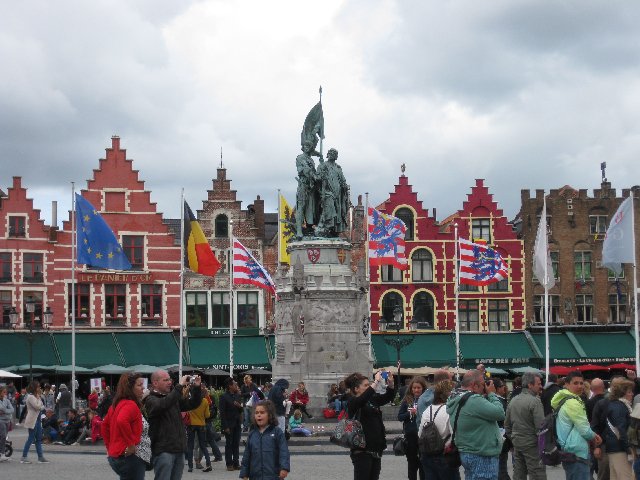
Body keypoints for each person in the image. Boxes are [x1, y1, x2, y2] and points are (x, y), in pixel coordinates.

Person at [446, 370, 505, 480]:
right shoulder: (473, 400)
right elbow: (500, 413)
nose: (484, 387)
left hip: (468, 452)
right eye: (483, 384)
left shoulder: (455, 396)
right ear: (473, 385)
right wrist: (492, 394)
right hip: (482, 455)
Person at [144, 370, 202, 480]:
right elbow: (163, 404)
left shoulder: (172, 398)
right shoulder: (151, 399)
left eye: (170, 379)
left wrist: (197, 387)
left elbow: (192, 404)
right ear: (155, 383)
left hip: (178, 449)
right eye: (165, 380)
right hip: (163, 450)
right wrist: (179, 386)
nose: (169, 382)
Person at [551, 370, 602, 480]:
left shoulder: (565, 400)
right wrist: (595, 436)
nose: (579, 386)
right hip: (577, 451)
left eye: (581, 383)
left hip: (568, 449)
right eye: (575, 383)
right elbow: (584, 429)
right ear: (567, 385)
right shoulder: (573, 403)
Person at [345, 370, 396, 480]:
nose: (369, 387)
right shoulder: (353, 401)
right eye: (366, 385)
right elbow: (362, 400)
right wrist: (376, 381)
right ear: (356, 389)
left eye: (369, 385)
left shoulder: (371, 399)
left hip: (376, 449)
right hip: (362, 451)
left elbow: (388, 397)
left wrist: (390, 384)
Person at [102, 373, 149, 479]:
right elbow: (122, 421)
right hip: (130, 457)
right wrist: (131, 444)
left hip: (116, 455)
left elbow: (104, 426)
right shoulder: (131, 404)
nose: (143, 387)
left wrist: (109, 447)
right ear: (130, 388)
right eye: (139, 385)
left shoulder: (116, 404)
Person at [505, 372, 546, 480]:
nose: (541, 386)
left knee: (519, 472)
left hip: (518, 442)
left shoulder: (513, 400)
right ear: (530, 385)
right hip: (532, 443)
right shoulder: (535, 401)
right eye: (539, 383)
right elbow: (541, 427)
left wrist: (514, 438)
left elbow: (507, 425)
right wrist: (543, 445)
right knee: (537, 473)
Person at [240, 400, 290, 480]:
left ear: (269, 415)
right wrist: (244, 473)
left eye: (262, 412)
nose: (259, 415)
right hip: (255, 476)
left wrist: (284, 468)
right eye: (256, 413)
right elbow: (247, 456)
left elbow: (283, 452)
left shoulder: (277, 432)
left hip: (273, 476)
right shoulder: (252, 434)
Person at [419, 379, 456, 480]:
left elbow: (420, 433)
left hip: (427, 455)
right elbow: (454, 434)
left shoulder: (427, 410)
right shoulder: (448, 410)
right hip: (444, 454)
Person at [603, 379, 634, 480]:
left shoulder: (615, 405)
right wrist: (628, 448)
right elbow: (621, 430)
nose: (632, 394)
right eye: (629, 392)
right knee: (626, 477)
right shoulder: (620, 407)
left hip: (614, 447)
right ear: (622, 393)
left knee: (615, 477)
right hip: (620, 448)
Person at [398, 376, 428, 480]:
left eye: (418, 388)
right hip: (410, 436)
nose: (416, 390)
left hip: (424, 435)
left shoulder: (427, 400)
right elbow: (400, 417)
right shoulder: (407, 400)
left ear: (423, 388)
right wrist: (409, 412)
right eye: (414, 388)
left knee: (423, 463)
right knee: (412, 464)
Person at [315, 147, 348, 236]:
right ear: (327, 155)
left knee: (338, 211)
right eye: (330, 153)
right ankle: (326, 226)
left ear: (336, 156)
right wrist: (321, 175)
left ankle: (334, 230)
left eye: (334, 154)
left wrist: (344, 186)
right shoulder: (323, 165)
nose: (332, 155)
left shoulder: (338, 168)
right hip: (327, 192)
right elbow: (317, 178)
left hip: (338, 193)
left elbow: (342, 180)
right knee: (330, 207)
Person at [294, 140, 321, 239]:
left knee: (311, 208)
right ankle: (299, 231)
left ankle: (309, 227)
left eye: (308, 146)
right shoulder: (300, 158)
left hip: (311, 187)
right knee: (301, 206)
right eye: (305, 146)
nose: (306, 147)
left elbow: (314, 173)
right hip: (303, 185)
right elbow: (302, 170)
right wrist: (312, 174)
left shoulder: (311, 160)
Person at [185, 385, 212, 473]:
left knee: (190, 446)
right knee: (203, 445)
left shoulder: (190, 401)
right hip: (201, 425)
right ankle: (208, 463)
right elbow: (207, 415)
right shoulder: (204, 401)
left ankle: (190, 466)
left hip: (191, 424)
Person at [20, 380, 49, 464]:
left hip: (38, 420)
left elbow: (41, 406)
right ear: (34, 387)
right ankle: (24, 456)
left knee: (38, 439)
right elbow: (37, 406)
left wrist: (40, 404)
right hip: (32, 420)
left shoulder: (37, 396)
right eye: (38, 386)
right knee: (31, 438)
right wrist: (40, 404)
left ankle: (40, 457)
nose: (39, 387)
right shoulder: (30, 397)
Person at [219, 377, 243, 472]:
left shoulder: (237, 395)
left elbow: (240, 410)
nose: (236, 385)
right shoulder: (224, 397)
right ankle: (229, 464)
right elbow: (222, 413)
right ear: (230, 386)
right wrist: (225, 427)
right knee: (229, 444)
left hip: (237, 423)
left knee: (236, 443)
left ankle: (236, 463)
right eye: (234, 384)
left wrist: (239, 406)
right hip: (229, 424)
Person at [492, 378, 511, 480]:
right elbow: (504, 421)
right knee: (501, 468)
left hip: (497, 439)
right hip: (501, 438)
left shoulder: (498, 400)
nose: (504, 387)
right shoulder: (499, 402)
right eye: (501, 386)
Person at [0, 386, 14, 462]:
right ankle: (2, 454)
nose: (5, 394)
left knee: (3, 437)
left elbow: (12, 409)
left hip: (7, 420)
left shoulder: (7, 400)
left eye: (6, 392)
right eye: (4, 392)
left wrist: (4, 411)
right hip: (1, 420)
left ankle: (2, 453)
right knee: (3, 436)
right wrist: (5, 410)